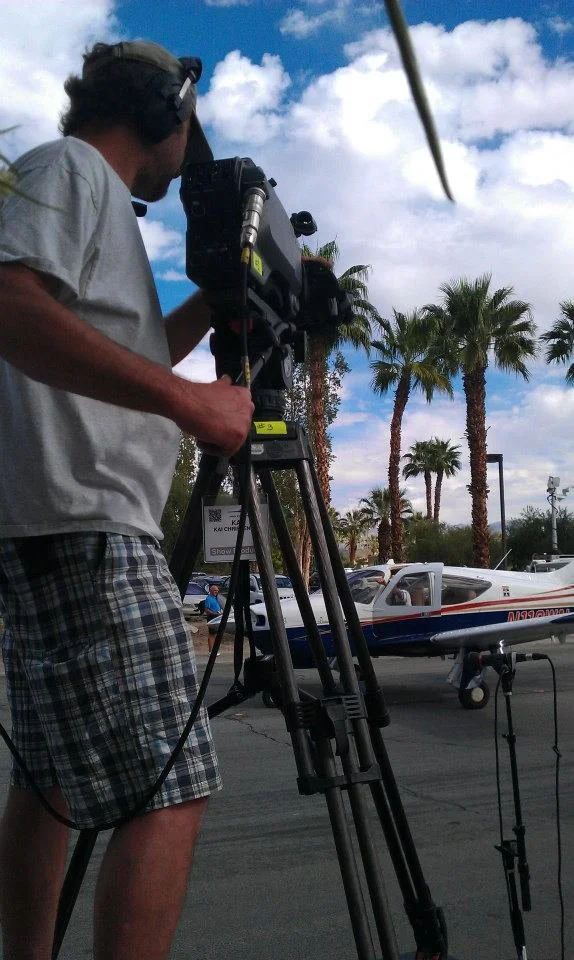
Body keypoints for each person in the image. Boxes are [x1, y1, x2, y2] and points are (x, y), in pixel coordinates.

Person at [0, 40, 254, 960]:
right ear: (162, 107)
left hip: (53, 524)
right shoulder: (69, 168)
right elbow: (12, 307)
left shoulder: (78, 195)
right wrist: (193, 405)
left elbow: (116, 350)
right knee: (169, 790)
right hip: (92, 522)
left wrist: (210, 311)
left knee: (50, 780)